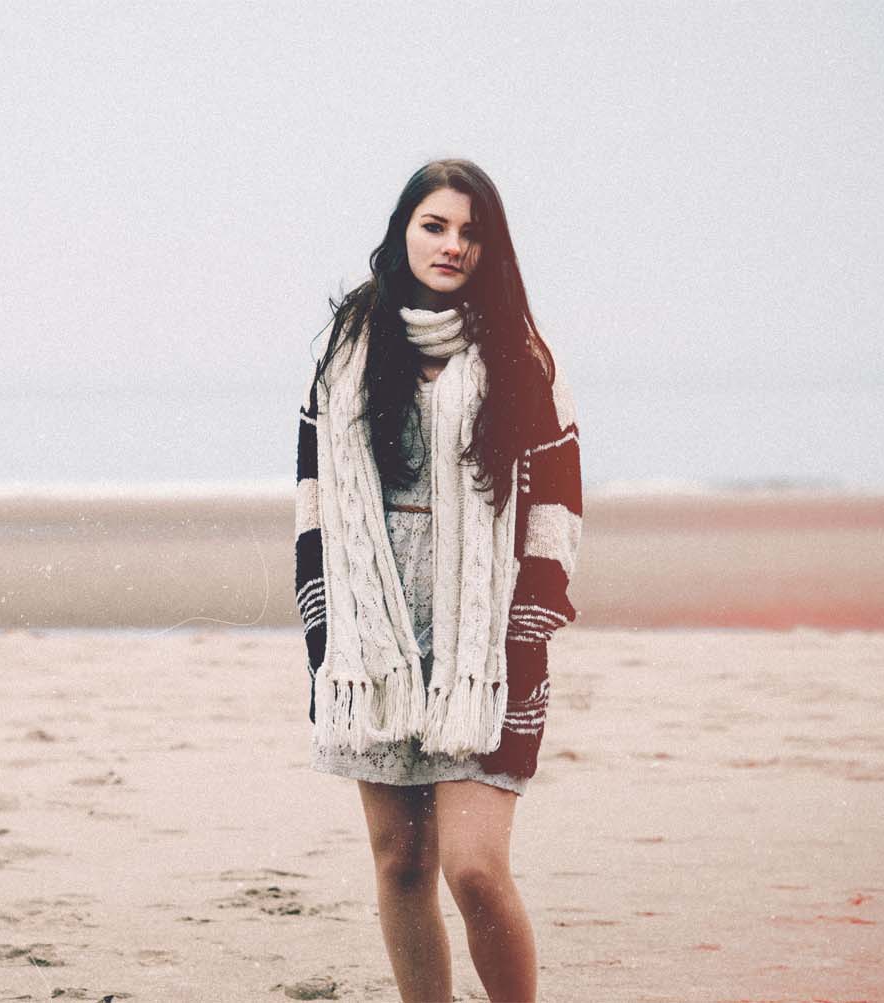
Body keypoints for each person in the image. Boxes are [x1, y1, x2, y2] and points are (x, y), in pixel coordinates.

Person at [293, 158, 582, 1003]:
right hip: (370, 642)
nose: (451, 245)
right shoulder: (349, 348)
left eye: (470, 231)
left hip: (483, 644)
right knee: (401, 861)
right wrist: (324, 638)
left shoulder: (522, 357)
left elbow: (555, 513)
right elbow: (313, 499)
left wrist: (525, 636)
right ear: (403, 229)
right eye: (435, 225)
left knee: (474, 869)